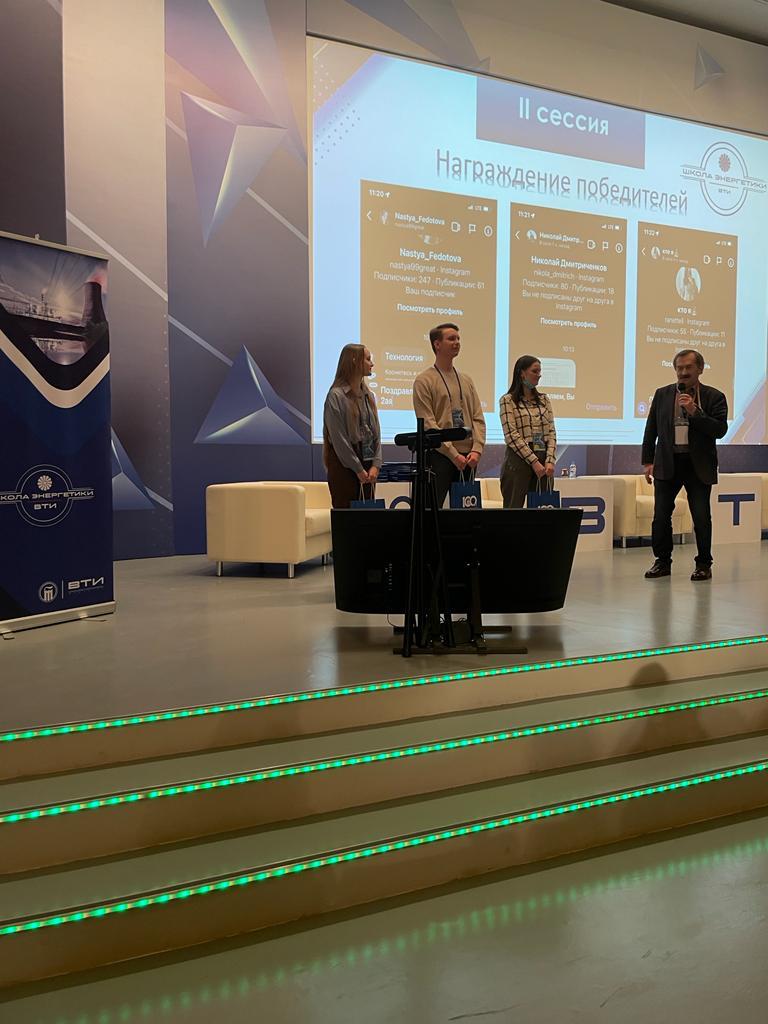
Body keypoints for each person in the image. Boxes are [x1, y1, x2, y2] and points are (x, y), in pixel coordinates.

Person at [641, 348, 727, 581]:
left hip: (698, 465)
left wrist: (694, 412)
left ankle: (704, 564)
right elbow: (651, 429)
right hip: (667, 462)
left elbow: (720, 430)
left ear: (700, 369)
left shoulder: (714, 396)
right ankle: (662, 562)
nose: (683, 372)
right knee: (661, 516)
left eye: (688, 367)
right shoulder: (662, 394)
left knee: (701, 517)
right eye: (679, 368)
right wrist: (647, 461)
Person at [412, 323, 486, 507]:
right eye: (451, 339)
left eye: (458, 338)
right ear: (437, 344)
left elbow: (478, 417)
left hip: (468, 458)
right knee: (431, 509)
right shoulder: (424, 380)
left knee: (465, 514)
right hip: (440, 456)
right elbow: (428, 423)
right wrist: (453, 454)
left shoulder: (466, 380)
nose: (457, 342)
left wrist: (477, 449)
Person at [323, 344, 382, 509]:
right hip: (344, 465)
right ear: (355, 361)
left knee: (367, 518)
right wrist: (358, 469)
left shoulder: (369, 396)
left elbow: (376, 434)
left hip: (368, 463)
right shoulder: (336, 396)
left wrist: (376, 465)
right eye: (368, 359)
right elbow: (339, 439)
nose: (372, 364)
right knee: (346, 517)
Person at [499, 355, 557, 508]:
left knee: (543, 510)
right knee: (513, 509)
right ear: (522, 373)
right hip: (518, 460)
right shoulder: (508, 400)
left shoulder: (544, 399)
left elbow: (552, 432)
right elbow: (511, 435)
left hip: (543, 458)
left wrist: (550, 460)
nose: (539, 375)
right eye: (534, 371)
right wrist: (534, 461)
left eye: (540, 371)